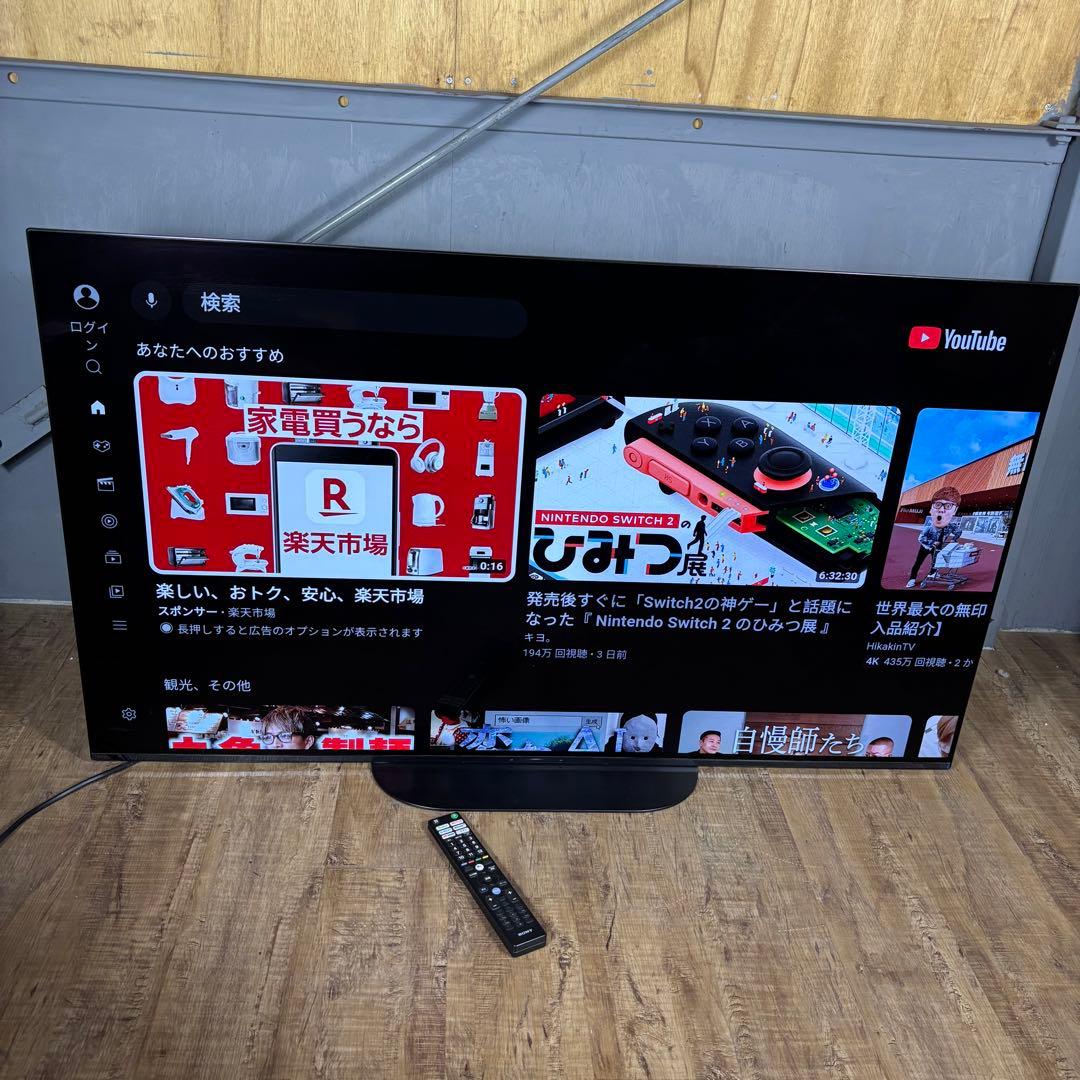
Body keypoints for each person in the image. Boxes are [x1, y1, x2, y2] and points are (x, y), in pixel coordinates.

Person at [908, 485, 963, 587]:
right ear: (931, 509)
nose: (941, 510)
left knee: (936, 562)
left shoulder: (951, 526)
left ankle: (932, 574)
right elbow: (921, 538)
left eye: (948, 506)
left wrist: (954, 540)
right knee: (918, 562)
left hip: (939, 548)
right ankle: (912, 579)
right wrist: (932, 542)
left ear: (955, 511)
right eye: (937, 505)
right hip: (926, 547)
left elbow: (959, 531)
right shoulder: (929, 527)